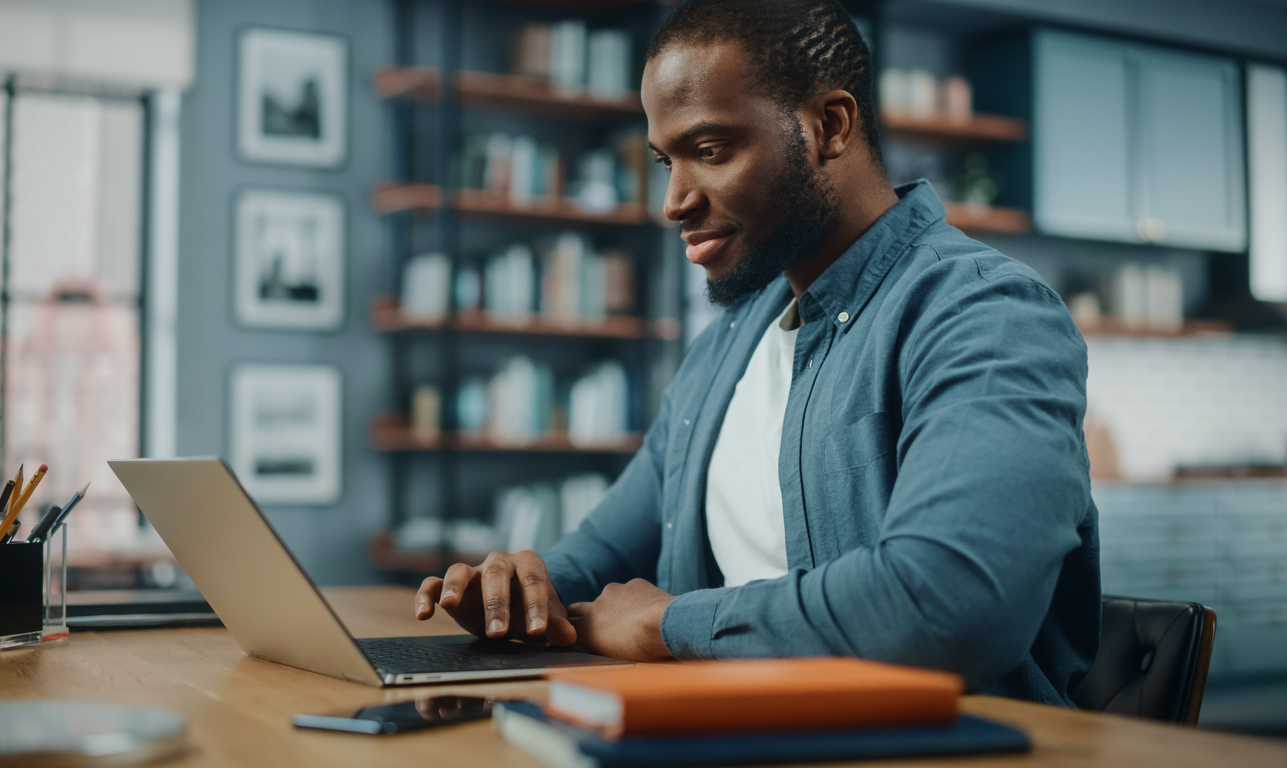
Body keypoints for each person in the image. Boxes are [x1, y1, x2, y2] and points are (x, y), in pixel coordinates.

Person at [415, 0, 1100, 706]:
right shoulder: (726, 347)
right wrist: (522, 592)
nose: (673, 200)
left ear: (828, 127)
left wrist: (668, 624)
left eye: (708, 151)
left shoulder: (984, 315)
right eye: (663, 160)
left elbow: (949, 609)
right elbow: (602, 558)